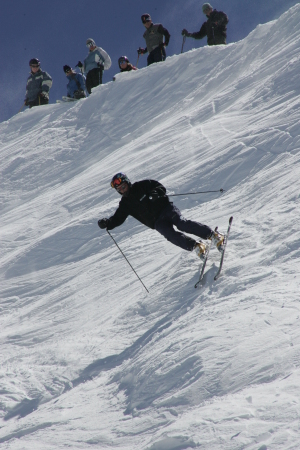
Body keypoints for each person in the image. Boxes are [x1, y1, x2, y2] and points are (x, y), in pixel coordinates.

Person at [98, 173, 225, 260]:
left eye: (123, 186)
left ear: (127, 183)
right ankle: (197, 246)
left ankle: (213, 235)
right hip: (156, 222)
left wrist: (155, 193)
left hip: (166, 209)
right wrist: (108, 223)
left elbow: (159, 187)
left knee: (182, 224)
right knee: (170, 235)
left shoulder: (141, 185)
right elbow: (118, 218)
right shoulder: (125, 204)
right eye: (119, 189)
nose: (122, 190)